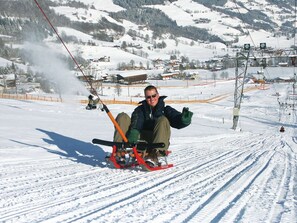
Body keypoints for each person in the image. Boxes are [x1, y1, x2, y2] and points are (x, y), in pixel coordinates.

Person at [113, 85, 193, 166]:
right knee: (122, 116)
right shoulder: (140, 110)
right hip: (139, 141)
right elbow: (137, 121)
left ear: (158, 95)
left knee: (163, 119)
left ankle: (157, 154)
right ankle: (119, 151)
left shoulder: (166, 110)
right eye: (148, 97)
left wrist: (183, 120)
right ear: (145, 97)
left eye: (153, 96)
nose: (151, 99)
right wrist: (134, 133)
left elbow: (175, 118)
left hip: (157, 141)